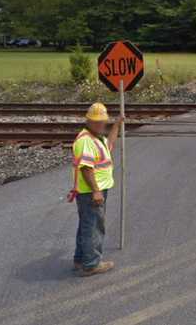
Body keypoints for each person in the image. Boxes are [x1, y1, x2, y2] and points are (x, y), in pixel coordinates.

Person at [69, 102, 122, 277]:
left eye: (103, 122)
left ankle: (80, 259)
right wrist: (96, 191)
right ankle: (91, 264)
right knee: (93, 226)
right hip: (91, 193)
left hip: (92, 192)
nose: (101, 125)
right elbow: (86, 168)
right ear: (89, 121)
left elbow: (110, 145)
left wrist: (116, 125)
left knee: (86, 225)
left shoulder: (97, 138)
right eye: (97, 122)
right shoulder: (86, 141)